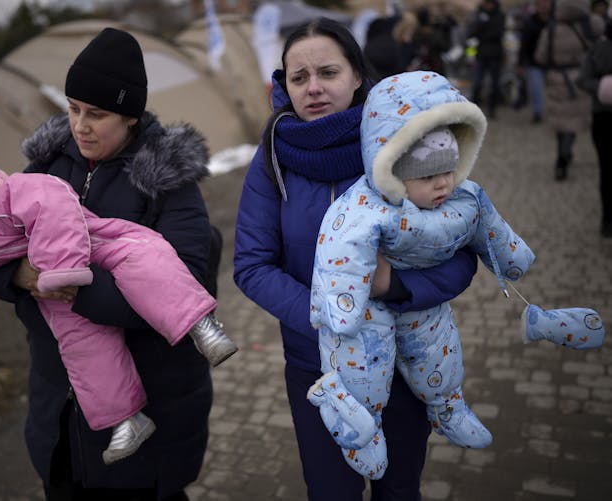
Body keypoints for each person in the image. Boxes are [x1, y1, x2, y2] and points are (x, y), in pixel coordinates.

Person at [307, 70, 606, 479]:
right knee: (363, 362)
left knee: (437, 348)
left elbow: (490, 228)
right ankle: (362, 429)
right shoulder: (364, 207)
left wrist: (513, 259)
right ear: (393, 170)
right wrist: (343, 308)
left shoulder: (465, 198)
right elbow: (339, 251)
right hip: (367, 307)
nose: (443, 184)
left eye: (448, 170)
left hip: (420, 301)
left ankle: (447, 405)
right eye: (428, 176)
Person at [233, 18, 479, 500]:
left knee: (399, 488)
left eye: (328, 72)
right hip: (318, 366)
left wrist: (395, 289)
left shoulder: (405, 143)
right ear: (284, 85)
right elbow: (252, 265)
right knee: (331, 492)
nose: (314, 88)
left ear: (357, 76)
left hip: (406, 362)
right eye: (299, 78)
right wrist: (329, 317)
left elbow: (462, 253)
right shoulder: (272, 158)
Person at [0, 27, 217, 500]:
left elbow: (185, 283)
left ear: (129, 116)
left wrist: (69, 287)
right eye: (73, 108)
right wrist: (20, 275)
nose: (80, 125)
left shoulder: (168, 180)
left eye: (96, 114)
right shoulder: (45, 165)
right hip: (58, 411)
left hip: (152, 403)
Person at [0, 136, 238, 465]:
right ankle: (125, 419)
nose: (83, 125)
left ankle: (200, 325)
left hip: (97, 243)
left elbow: (54, 210)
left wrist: (60, 273)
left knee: (146, 259)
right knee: (84, 350)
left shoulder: (21, 190)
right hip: (56, 304)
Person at [534, 0, 605, 181]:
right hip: (581, 78)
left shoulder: (551, 29)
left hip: (556, 79)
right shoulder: (592, 23)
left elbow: (540, 56)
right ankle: (566, 153)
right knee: (573, 120)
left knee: (561, 121)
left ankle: (562, 156)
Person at [577, 1, 612, 236]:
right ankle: (608, 219)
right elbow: (584, 78)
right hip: (605, 118)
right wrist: (602, 87)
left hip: (602, 117)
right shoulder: (600, 48)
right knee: (607, 170)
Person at [466, 0, 507, 118]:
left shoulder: (500, 15)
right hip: (481, 54)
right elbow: (472, 32)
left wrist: (483, 30)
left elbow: (497, 33)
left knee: (494, 84)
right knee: (477, 83)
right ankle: (473, 110)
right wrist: (482, 26)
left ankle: (492, 109)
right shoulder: (479, 14)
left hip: (495, 55)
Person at [518, 0, 552, 123]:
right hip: (534, 62)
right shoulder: (530, 22)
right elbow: (524, 44)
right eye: (541, 3)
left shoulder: (555, 21)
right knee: (536, 89)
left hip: (552, 63)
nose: (543, 6)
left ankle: (553, 111)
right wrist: (521, 62)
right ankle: (537, 112)